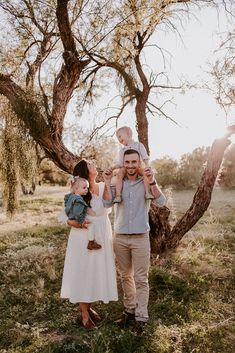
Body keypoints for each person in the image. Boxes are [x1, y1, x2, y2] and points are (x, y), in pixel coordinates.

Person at [103, 149, 166, 332]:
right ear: (123, 163)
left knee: (140, 278)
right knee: (125, 276)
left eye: (134, 162)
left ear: (139, 163)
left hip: (140, 238)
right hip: (120, 237)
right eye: (127, 162)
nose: (130, 166)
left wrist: (152, 180)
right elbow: (107, 203)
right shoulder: (118, 182)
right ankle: (129, 310)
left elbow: (161, 202)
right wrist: (107, 182)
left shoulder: (146, 181)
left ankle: (141, 317)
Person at [60, 159, 118, 330]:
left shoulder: (102, 186)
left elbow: (120, 175)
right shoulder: (78, 190)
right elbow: (64, 217)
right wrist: (77, 224)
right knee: (84, 271)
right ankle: (85, 315)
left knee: (95, 271)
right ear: (86, 170)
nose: (94, 164)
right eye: (91, 163)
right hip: (83, 236)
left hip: (103, 232)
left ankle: (89, 306)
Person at [110, 126, 153, 203]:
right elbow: (120, 163)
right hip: (125, 169)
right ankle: (118, 195)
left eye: (120, 136)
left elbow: (145, 157)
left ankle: (147, 192)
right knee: (120, 174)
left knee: (145, 173)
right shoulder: (122, 150)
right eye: (117, 138)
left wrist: (147, 166)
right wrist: (113, 167)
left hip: (138, 167)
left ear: (129, 134)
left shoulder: (139, 145)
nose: (119, 139)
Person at [64, 176, 102, 250]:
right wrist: (82, 221)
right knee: (91, 226)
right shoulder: (79, 201)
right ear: (76, 189)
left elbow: (66, 203)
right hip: (76, 218)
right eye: (84, 188)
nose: (86, 190)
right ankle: (91, 242)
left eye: (87, 188)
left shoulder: (71, 196)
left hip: (71, 216)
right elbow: (77, 213)